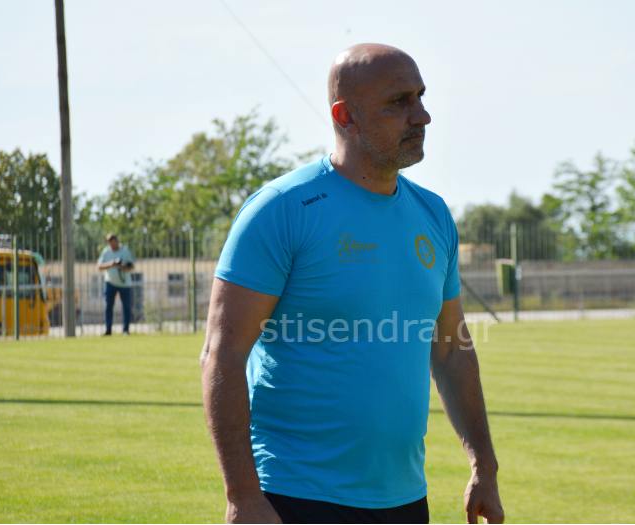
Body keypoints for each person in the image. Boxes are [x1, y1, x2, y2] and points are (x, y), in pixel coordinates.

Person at [201, 43, 504, 524]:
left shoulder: (433, 215)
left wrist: (483, 464)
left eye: (420, 97)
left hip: (405, 500)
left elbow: (451, 351)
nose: (422, 116)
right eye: (398, 102)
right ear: (345, 116)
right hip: (293, 497)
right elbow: (223, 354)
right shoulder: (282, 210)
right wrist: (242, 496)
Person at [97, 233, 135, 335]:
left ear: (117, 241)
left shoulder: (125, 251)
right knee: (108, 307)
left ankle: (126, 330)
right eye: (110, 242)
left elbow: (131, 266)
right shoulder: (106, 251)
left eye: (113, 242)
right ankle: (108, 330)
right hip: (110, 283)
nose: (112, 244)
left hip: (125, 284)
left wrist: (122, 267)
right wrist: (112, 264)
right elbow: (99, 266)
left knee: (126, 307)